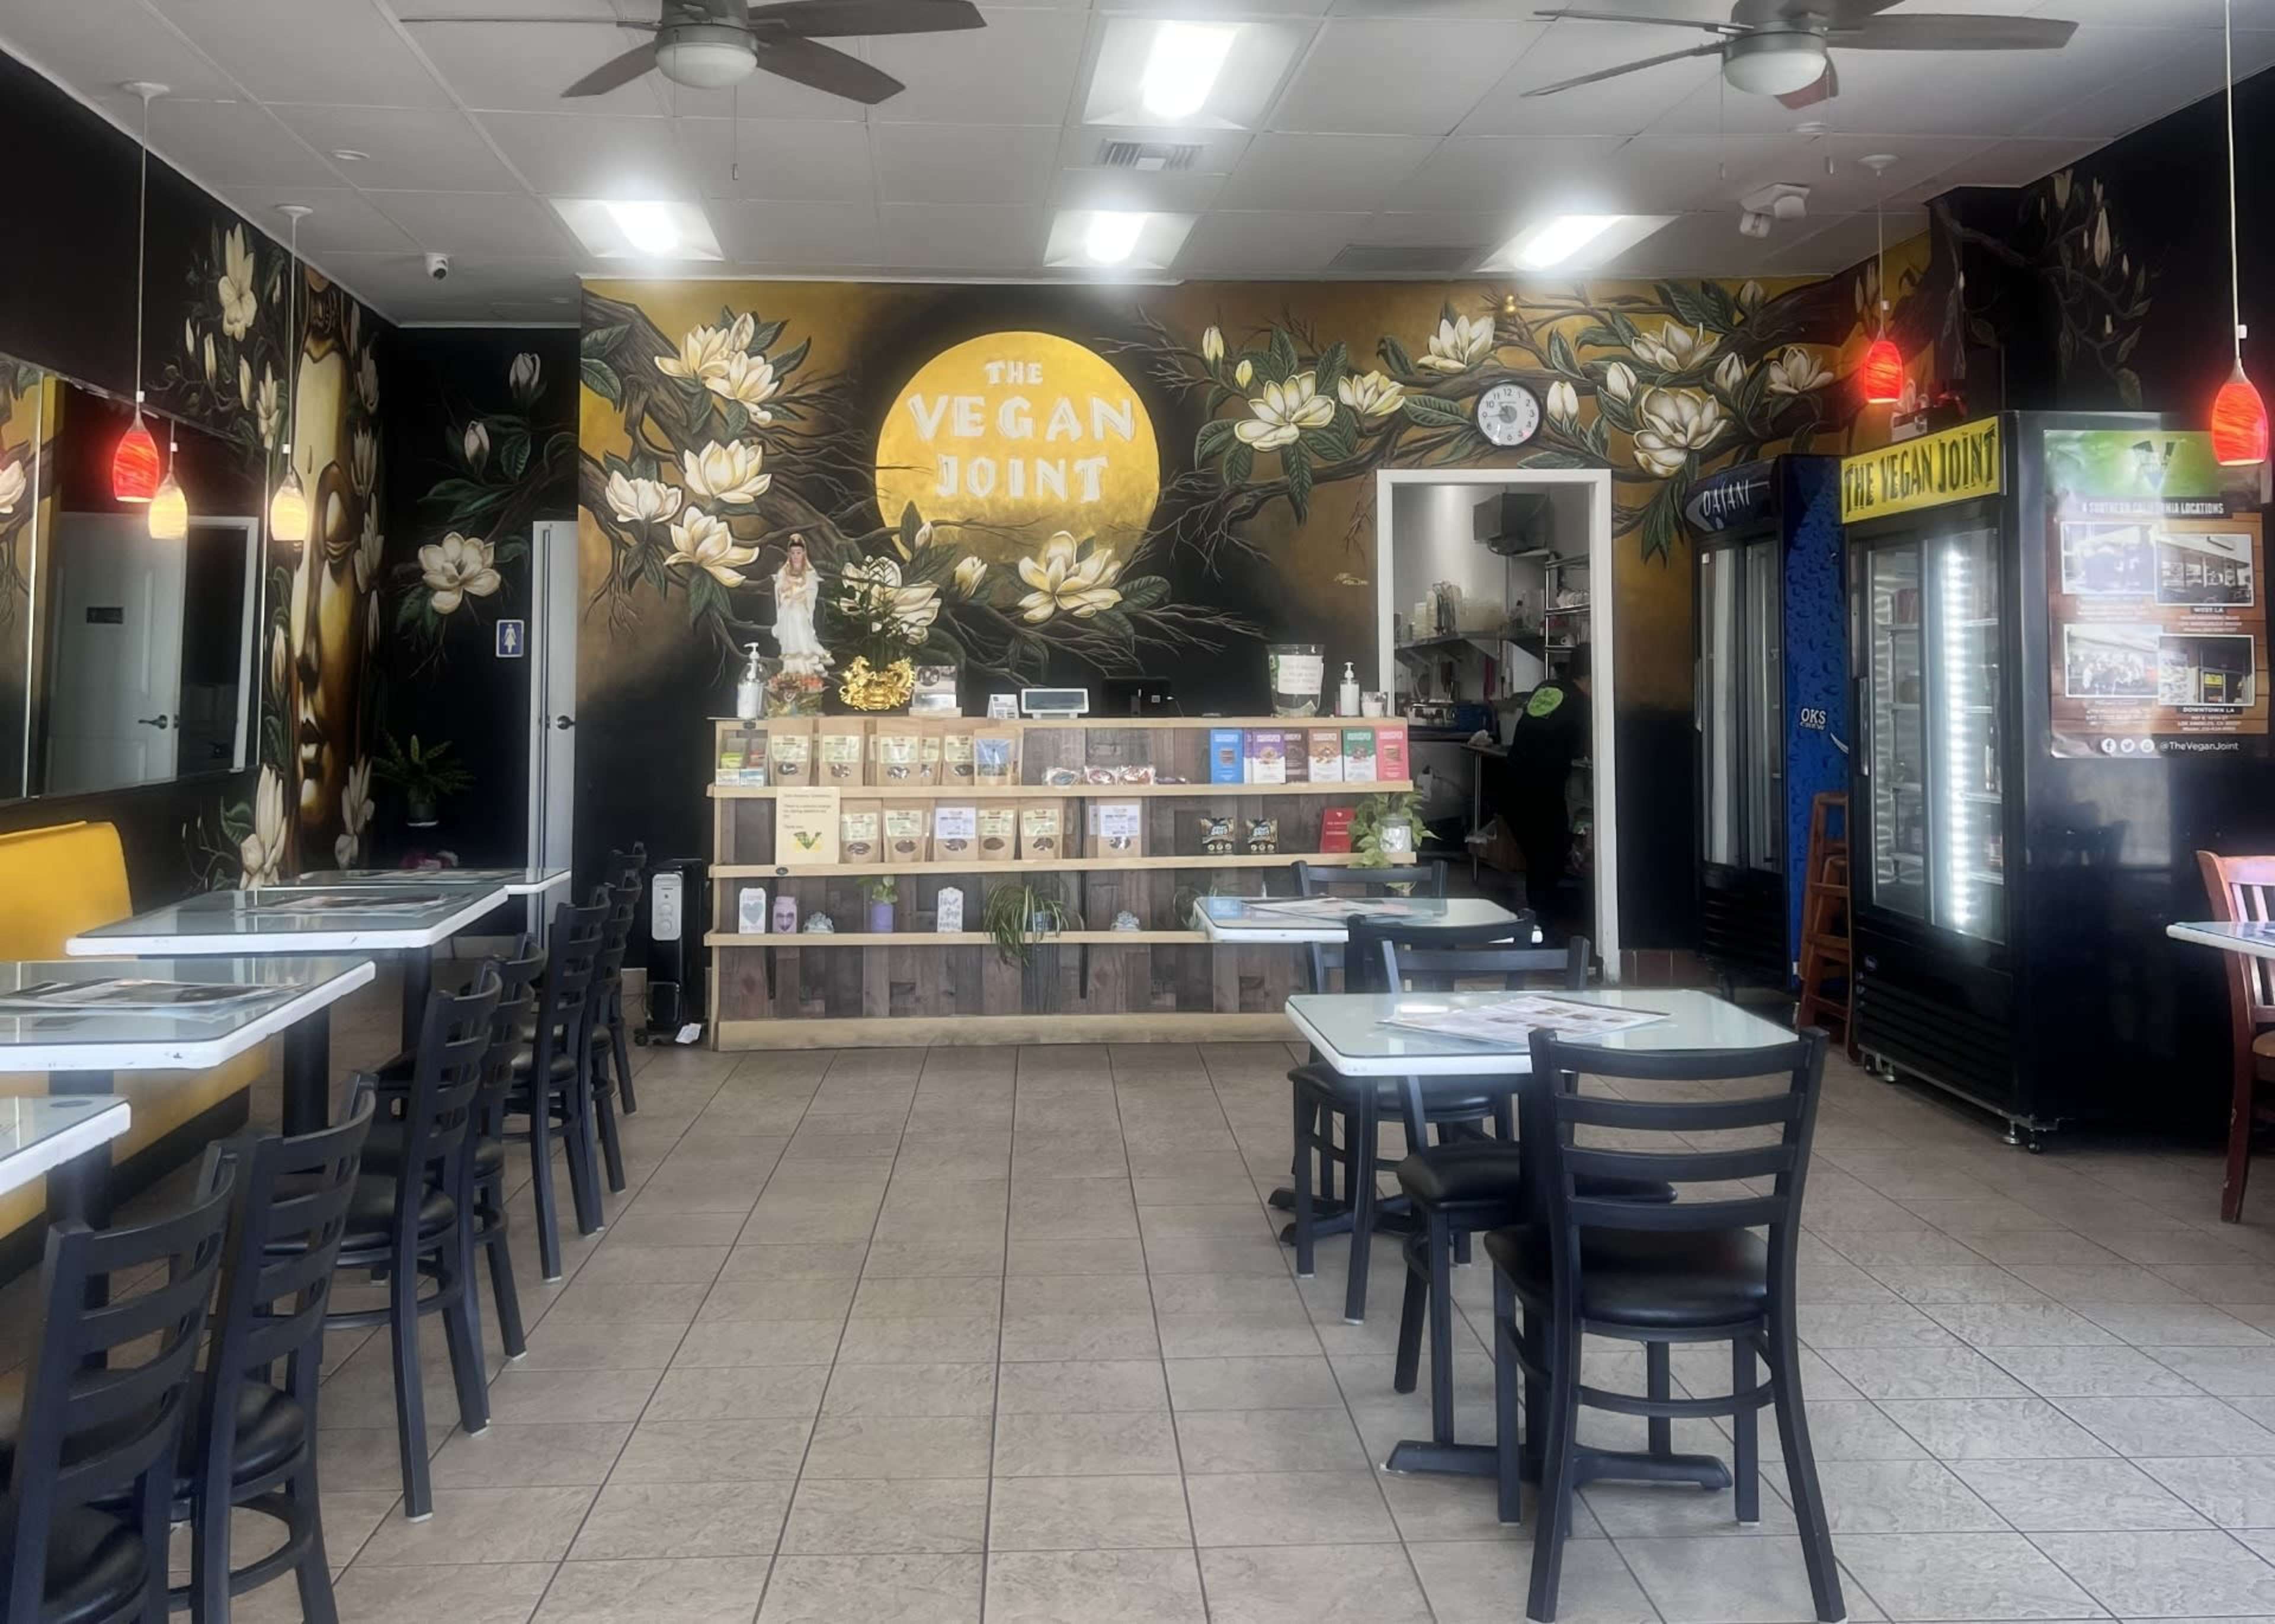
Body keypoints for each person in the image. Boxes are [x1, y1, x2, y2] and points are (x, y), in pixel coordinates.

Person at [1501, 643, 1591, 939]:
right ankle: (1543, 931)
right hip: (1540, 790)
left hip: (1512, 784)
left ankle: (1536, 924)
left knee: (1540, 857)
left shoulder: (1547, 688)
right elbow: (1585, 747)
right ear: (1592, 676)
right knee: (1549, 856)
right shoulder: (1580, 704)